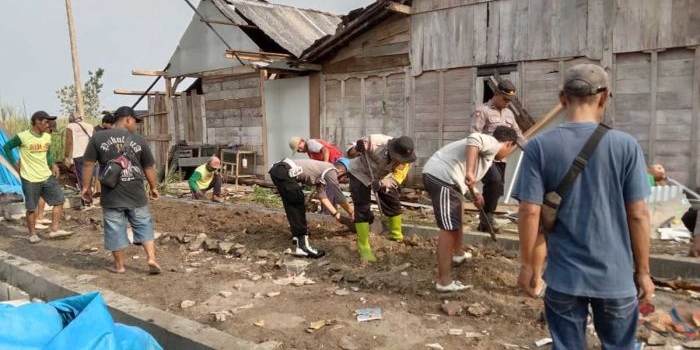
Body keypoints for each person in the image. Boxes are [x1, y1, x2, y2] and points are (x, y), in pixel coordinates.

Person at [512, 64, 653, 349]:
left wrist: (528, 266)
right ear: (604, 98)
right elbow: (637, 214)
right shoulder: (625, 145)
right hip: (615, 279)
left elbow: (529, 212)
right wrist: (643, 272)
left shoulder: (539, 146)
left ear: (562, 97)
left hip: (564, 278)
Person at [423, 126, 518, 292]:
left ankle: (458, 254)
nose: (506, 156)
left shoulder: (488, 154)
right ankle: (443, 282)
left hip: (446, 178)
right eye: (511, 150)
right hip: (443, 177)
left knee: (458, 211)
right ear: (509, 144)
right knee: (448, 228)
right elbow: (474, 139)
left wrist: (475, 194)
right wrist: (470, 171)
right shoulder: (493, 143)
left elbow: (466, 181)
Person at [81, 106, 161, 275]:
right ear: (127, 119)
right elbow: (149, 167)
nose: (136, 126)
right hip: (136, 193)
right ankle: (151, 259)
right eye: (135, 122)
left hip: (111, 195)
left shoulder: (98, 137)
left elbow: (88, 164)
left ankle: (120, 266)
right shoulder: (139, 140)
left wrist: (86, 187)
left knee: (115, 229)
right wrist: (153, 187)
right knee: (143, 224)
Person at [2, 111, 72, 243]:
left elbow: (48, 154)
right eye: (45, 122)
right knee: (31, 208)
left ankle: (54, 229)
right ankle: (32, 234)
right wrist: (14, 163)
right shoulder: (22, 136)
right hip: (30, 178)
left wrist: (53, 165)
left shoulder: (46, 137)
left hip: (46, 175)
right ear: (37, 122)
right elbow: (7, 147)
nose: (48, 124)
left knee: (59, 200)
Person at [349, 134, 416, 262]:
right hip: (360, 173)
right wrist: (358, 148)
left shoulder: (407, 160)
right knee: (362, 207)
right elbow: (350, 153)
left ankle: (396, 235)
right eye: (398, 158)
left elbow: (396, 179)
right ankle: (364, 247)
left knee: (393, 201)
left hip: (383, 177)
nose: (400, 161)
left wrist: (380, 184)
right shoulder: (375, 142)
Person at [269, 157, 354, 258]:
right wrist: (352, 212)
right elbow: (339, 196)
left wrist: (337, 215)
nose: (345, 181)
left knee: (291, 204)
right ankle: (303, 247)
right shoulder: (331, 170)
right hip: (283, 170)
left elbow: (322, 197)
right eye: (346, 177)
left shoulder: (322, 174)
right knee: (297, 201)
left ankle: (297, 237)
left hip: (278, 170)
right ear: (342, 171)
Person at [471, 80, 526, 233]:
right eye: (505, 99)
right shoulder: (483, 111)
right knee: (494, 182)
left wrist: (531, 150)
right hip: (486, 157)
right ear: (496, 94)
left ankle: (484, 222)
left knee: (497, 188)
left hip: (502, 158)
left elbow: (518, 135)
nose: (508, 103)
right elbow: (474, 135)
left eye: (510, 100)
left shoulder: (509, 114)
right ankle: (488, 218)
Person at [289, 136, 344, 215]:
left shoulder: (310, 144)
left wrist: (325, 165)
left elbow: (325, 150)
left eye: (299, 147)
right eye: (297, 150)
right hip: (330, 167)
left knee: (328, 190)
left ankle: (327, 213)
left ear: (302, 141)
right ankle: (331, 212)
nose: (299, 150)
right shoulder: (309, 151)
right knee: (331, 189)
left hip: (334, 164)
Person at [65, 112, 95, 208]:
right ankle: (90, 201)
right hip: (91, 155)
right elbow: (95, 140)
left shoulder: (70, 126)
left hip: (79, 155)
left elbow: (69, 142)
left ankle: (86, 202)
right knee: (89, 178)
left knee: (82, 179)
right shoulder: (90, 126)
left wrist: (66, 156)